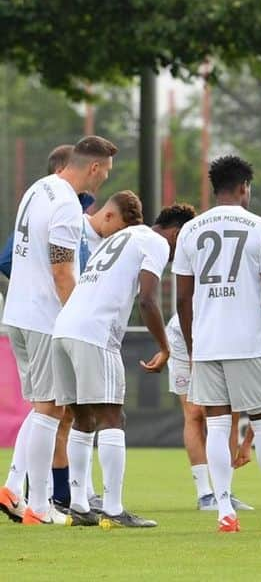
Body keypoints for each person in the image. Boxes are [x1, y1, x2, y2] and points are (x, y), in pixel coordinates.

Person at [174, 155, 261, 533]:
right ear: (243, 187)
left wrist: (192, 348)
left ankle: (224, 512)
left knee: (218, 428)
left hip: (207, 345)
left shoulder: (191, 230)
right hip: (247, 343)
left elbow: (182, 299)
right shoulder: (260, 227)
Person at [0, 135, 117, 525]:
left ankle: (17, 489)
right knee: (51, 411)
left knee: (43, 409)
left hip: (16, 313)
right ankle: (38, 506)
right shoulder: (67, 202)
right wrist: (77, 318)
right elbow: (62, 269)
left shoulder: (38, 188)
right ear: (95, 167)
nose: (103, 182)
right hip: (44, 318)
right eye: (105, 173)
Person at [50, 191, 177, 527]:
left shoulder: (113, 240)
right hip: (94, 332)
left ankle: (78, 506)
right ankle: (114, 509)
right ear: (176, 232)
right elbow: (148, 300)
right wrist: (165, 346)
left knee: (82, 419)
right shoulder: (156, 242)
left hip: (63, 329)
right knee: (112, 417)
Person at [162, 203, 254, 513]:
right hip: (186, 332)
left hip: (216, 332)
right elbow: (182, 299)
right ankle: (205, 492)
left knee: (227, 413)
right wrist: (186, 349)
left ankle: (224, 491)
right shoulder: (196, 243)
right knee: (194, 413)